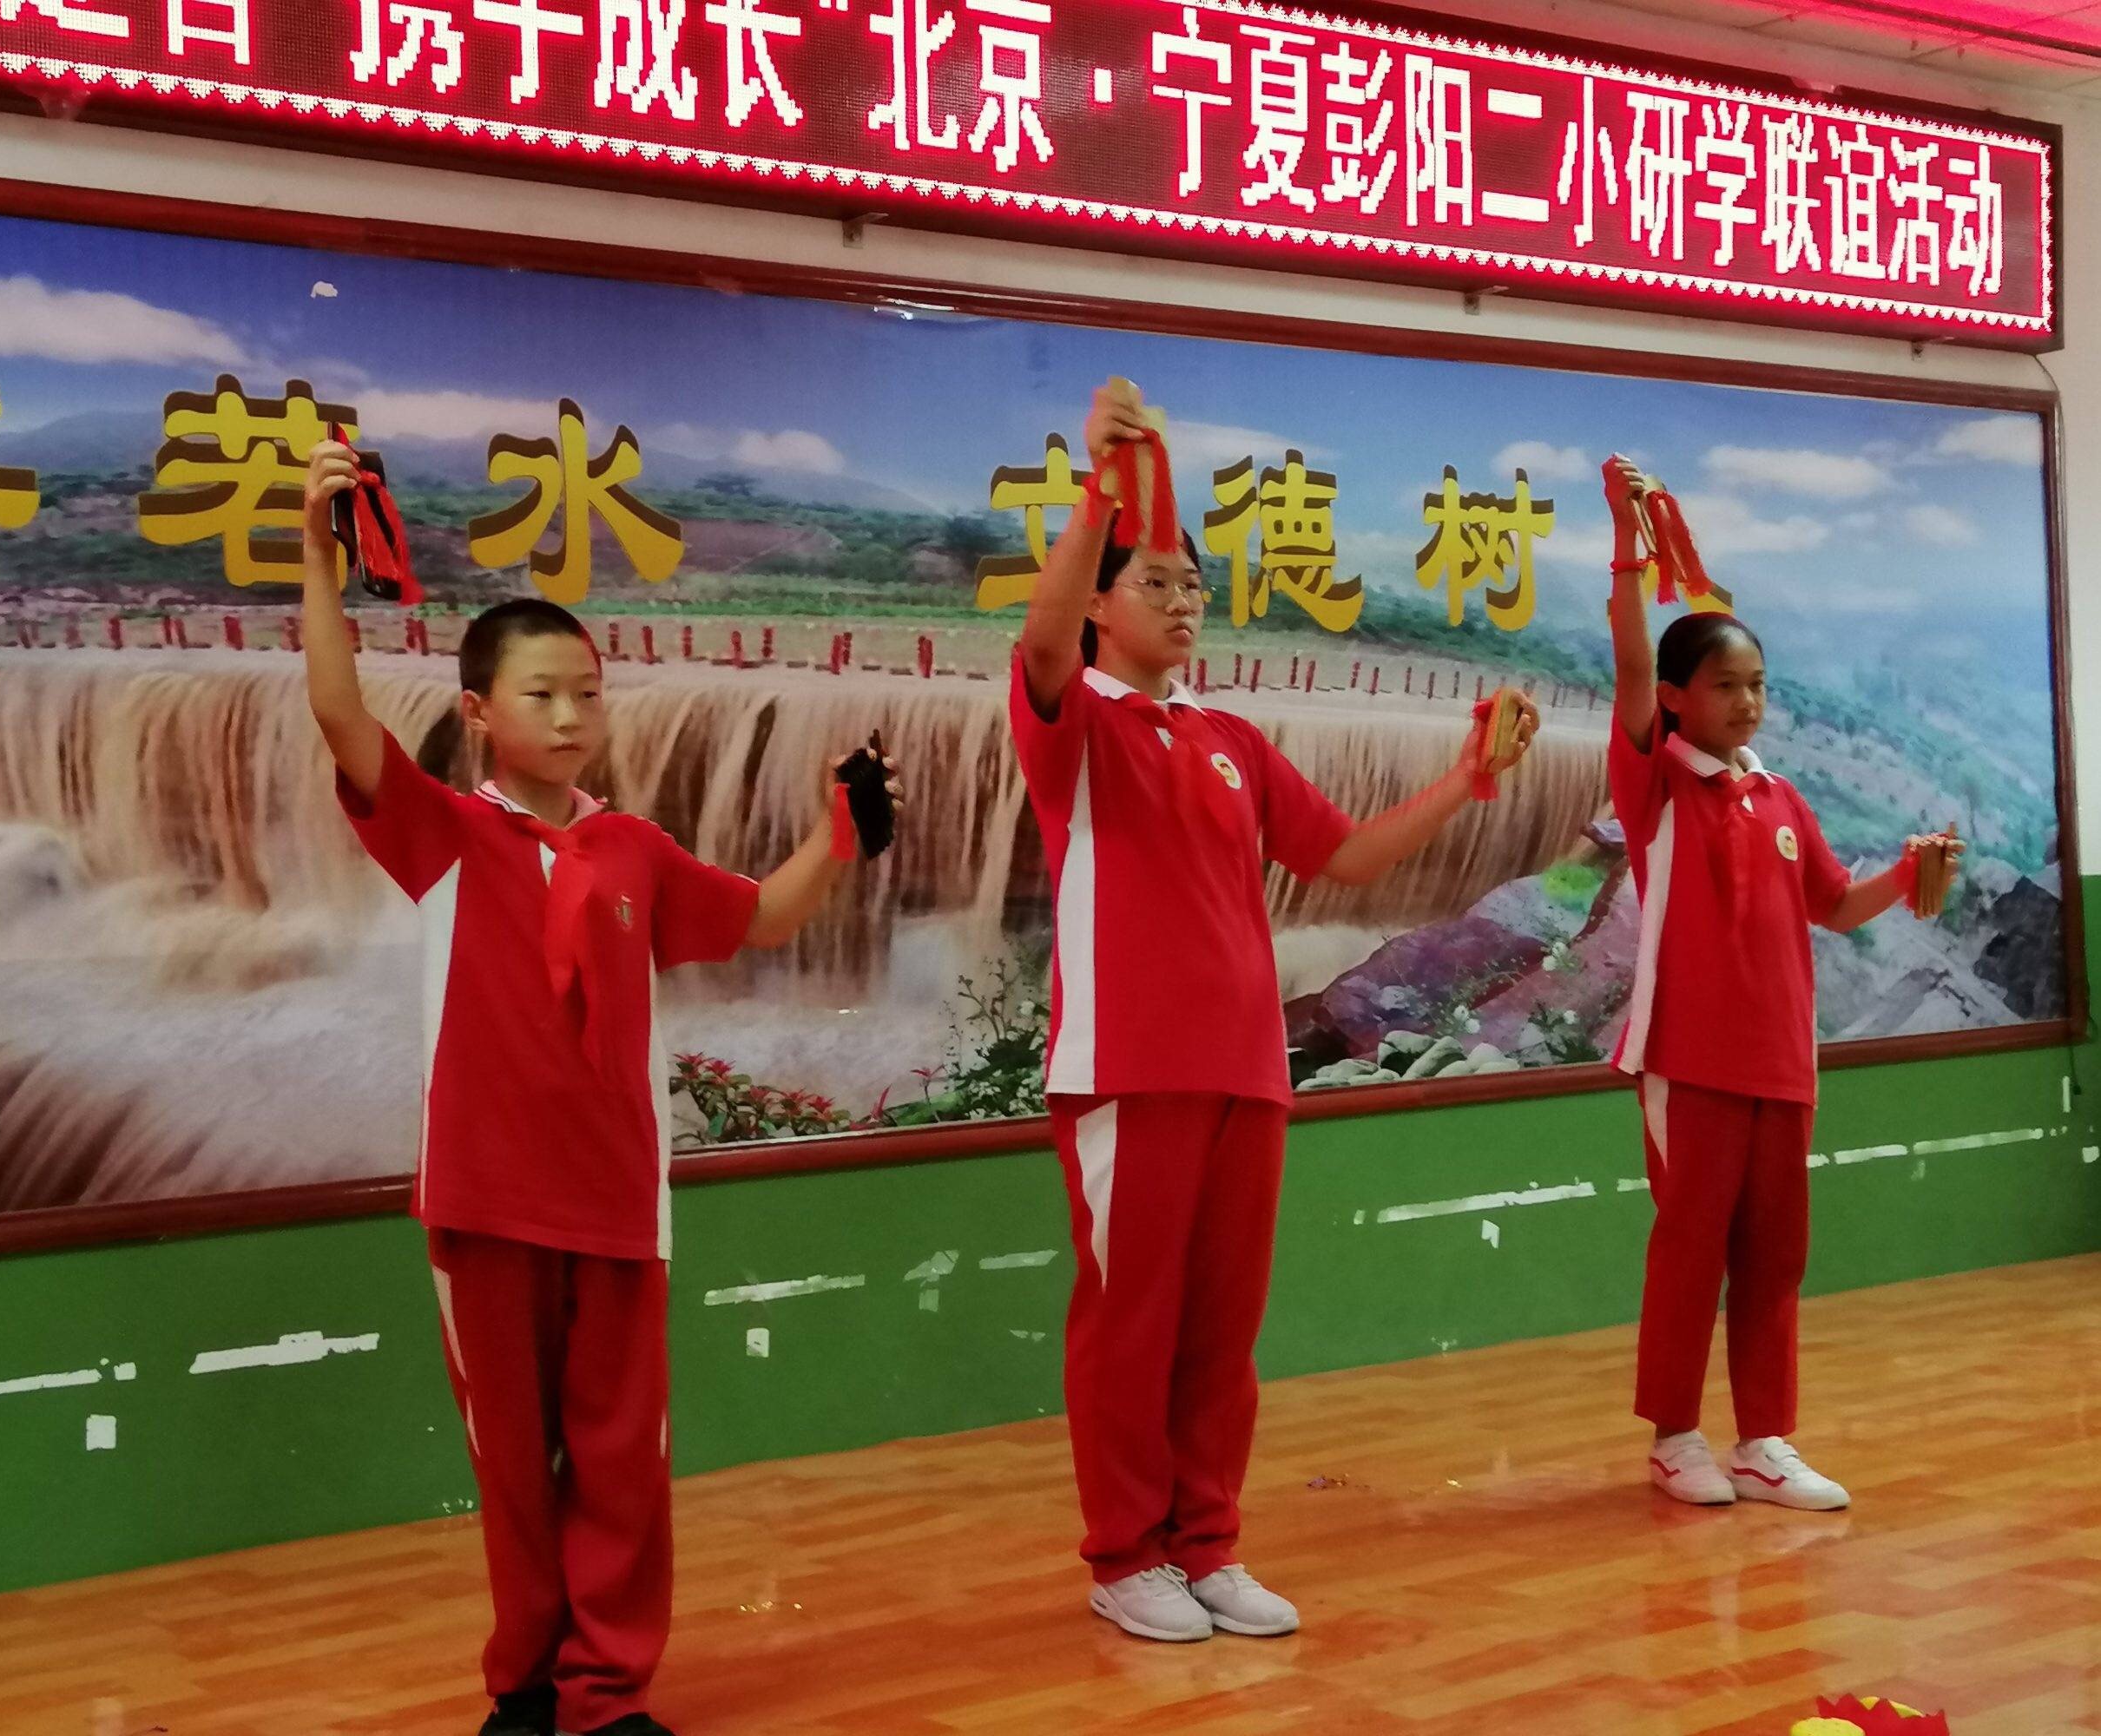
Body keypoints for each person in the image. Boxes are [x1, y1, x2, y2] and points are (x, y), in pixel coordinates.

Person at [299, 437, 901, 1736]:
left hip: (621, 1205)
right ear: (478, 713)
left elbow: (758, 921)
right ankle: (525, 1685)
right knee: (515, 1468)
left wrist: (837, 835)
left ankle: (606, 1694)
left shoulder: (633, 849)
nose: (571, 716)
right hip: (485, 1201)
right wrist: (318, 560)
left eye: (588, 693)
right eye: (542, 695)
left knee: (622, 1463)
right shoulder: (445, 836)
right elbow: (341, 718)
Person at [1010, 384, 1538, 1643]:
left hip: (1246, 1070)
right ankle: (1123, 1555)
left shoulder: (1232, 739)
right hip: (1127, 1068)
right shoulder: (1074, 725)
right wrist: (1096, 495)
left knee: (1220, 1330)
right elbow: (1038, 646)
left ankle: (1206, 1544)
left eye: (1193, 586)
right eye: (1153, 583)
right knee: (1130, 1322)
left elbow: (1344, 858)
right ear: (1099, 605)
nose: (1182, 602)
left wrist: (1466, 780)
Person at [1600, 454, 1960, 1514]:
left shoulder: (1782, 797)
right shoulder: (1656, 781)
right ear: (1678, 699)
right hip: (1689, 1059)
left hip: (1780, 1063)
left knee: (1774, 1258)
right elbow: (1628, 663)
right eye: (1726, 685)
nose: (1747, 701)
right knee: (1691, 1251)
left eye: (1757, 684)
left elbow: (1836, 905)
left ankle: (1764, 1440)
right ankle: (1674, 1437)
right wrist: (1626, 542)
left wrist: (1912, 868)